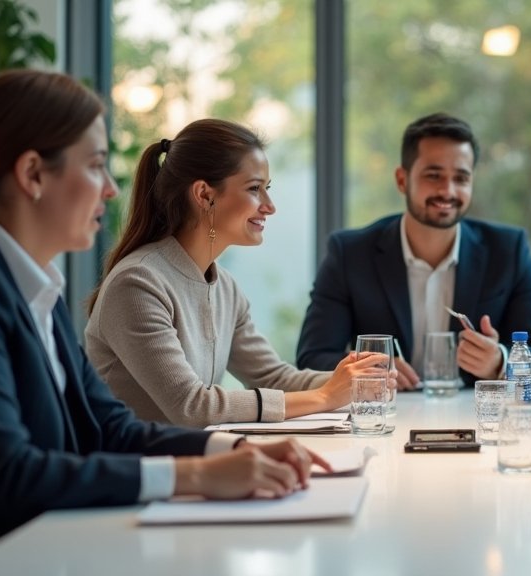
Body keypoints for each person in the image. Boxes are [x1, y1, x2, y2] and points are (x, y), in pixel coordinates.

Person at [0, 70, 329, 576]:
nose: (111, 190)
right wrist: (195, 475)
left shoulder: (30, 283)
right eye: (95, 167)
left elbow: (107, 425)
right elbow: (9, 474)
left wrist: (231, 448)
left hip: (55, 544)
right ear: (32, 174)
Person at [85, 119, 384, 427]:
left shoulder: (225, 287)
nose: (270, 206)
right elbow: (192, 407)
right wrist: (325, 397)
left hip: (189, 462)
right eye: (255, 189)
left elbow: (273, 376)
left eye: (266, 189)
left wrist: (362, 378)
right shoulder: (137, 284)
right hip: (138, 470)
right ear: (204, 195)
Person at [295, 113, 531, 389]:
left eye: (461, 178)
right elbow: (312, 357)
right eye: (433, 176)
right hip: (384, 417)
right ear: (402, 180)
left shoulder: (508, 250)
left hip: (478, 419)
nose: (447, 191)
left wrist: (501, 362)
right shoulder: (349, 254)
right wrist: (367, 368)